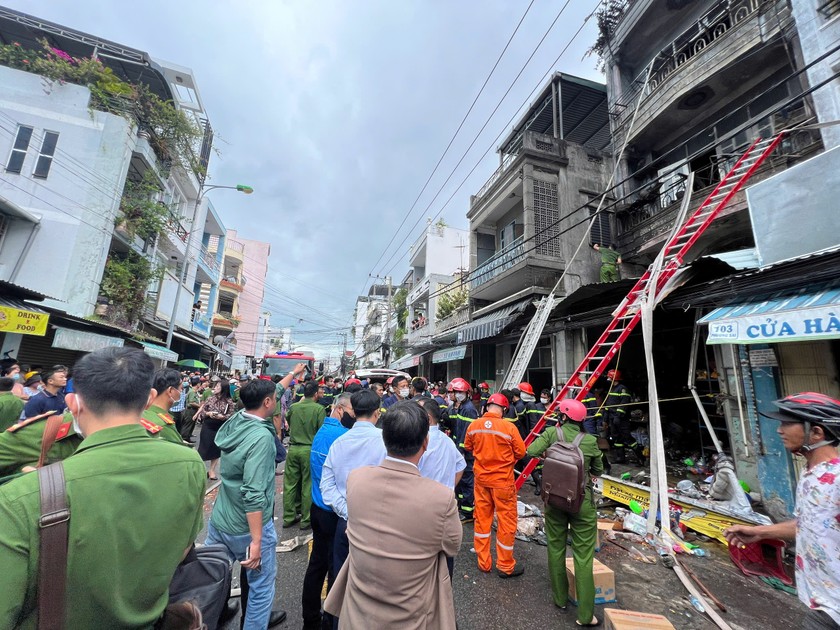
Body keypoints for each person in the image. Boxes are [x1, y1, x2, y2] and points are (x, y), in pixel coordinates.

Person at [0, 347, 205, 628]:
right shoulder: (190, 464)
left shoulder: (18, 498)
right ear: (149, 399)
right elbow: (183, 548)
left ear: (72, 402)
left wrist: (26, 484)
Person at [323, 400, 462, 629]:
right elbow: (452, 546)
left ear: (384, 439)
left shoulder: (357, 479)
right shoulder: (441, 498)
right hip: (411, 617)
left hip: (357, 613)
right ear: (425, 442)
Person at [725, 393, 840, 629]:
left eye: (787, 423)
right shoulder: (811, 474)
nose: (780, 430)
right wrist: (760, 532)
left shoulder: (837, 478)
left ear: (816, 433)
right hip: (822, 601)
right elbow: (808, 524)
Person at [206, 378, 288, 629]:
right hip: (247, 526)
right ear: (267, 402)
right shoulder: (261, 439)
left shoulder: (237, 420)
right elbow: (253, 492)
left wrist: (292, 374)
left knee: (212, 579)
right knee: (261, 589)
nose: (277, 400)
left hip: (220, 520)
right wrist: (256, 540)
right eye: (274, 398)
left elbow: (274, 391)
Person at [526, 399, 604, 627]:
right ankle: (585, 616)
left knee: (556, 547)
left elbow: (530, 451)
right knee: (583, 557)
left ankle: (560, 600)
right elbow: (598, 470)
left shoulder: (551, 433)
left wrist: (548, 456)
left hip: (554, 501)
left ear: (562, 416)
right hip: (582, 505)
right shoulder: (589, 441)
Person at [320, 389, 386, 589]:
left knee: (341, 585)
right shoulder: (385, 441)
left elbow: (327, 485)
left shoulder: (339, 442)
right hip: (378, 524)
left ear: (354, 412)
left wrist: (348, 511)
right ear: (377, 412)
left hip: (345, 522)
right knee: (374, 586)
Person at [302, 393, 352, 630]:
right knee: (335, 569)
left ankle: (310, 619)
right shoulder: (342, 437)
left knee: (317, 565)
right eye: (352, 412)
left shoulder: (323, 431)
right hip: (333, 512)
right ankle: (329, 621)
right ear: (340, 410)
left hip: (318, 508)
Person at [464, 393, 526, 578]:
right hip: (502, 483)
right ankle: (505, 566)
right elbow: (521, 452)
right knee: (506, 522)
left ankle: (484, 563)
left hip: (481, 481)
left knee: (482, 520)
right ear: (504, 410)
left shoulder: (474, 425)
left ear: (486, 407)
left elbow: (468, 447)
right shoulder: (509, 427)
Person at [283, 380, 326, 530]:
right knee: (307, 484)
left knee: (290, 484)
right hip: (309, 449)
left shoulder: (294, 407)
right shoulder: (319, 409)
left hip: (293, 448)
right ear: (315, 394)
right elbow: (321, 431)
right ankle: (306, 519)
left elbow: (288, 420)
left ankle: (288, 517)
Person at [448, 377, 478, 522]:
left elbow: (467, 434)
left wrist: (461, 450)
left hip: (466, 453)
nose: (458, 394)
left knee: (466, 480)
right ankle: (462, 506)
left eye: (461, 392)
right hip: (461, 450)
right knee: (461, 480)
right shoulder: (462, 407)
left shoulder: (469, 409)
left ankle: (467, 512)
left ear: (467, 393)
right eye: (456, 391)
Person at [198, 378, 236, 480]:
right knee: (204, 447)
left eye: (218, 386)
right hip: (208, 426)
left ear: (223, 388)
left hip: (220, 427)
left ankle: (212, 470)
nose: (215, 388)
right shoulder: (210, 398)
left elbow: (231, 415)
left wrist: (222, 417)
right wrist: (208, 414)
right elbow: (203, 411)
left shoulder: (229, 402)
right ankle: (199, 469)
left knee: (216, 449)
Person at [142, 368, 189, 445]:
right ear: (170, 391)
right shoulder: (164, 425)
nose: (181, 393)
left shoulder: (142, 413)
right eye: (181, 389)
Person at [604, 369, 634, 464]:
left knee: (627, 439)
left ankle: (641, 458)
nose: (608, 379)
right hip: (613, 419)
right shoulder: (611, 389)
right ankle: (620, 458)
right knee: (616, 438)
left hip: (622, 420)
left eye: (610, 377)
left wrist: (618, 416)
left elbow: (624, 404)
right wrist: (605, 419)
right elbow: (608, 405)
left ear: (614, 378)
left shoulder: (622, 389)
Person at [180, 376, 202, 442]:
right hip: (190, 410)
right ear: (198, 384)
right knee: (188, 425)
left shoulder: (194, 391)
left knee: (191, 425)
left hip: (192, 410)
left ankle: (188, 438)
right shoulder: (192, 392)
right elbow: (191, 402)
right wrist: (199, 406)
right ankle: (184, 439)